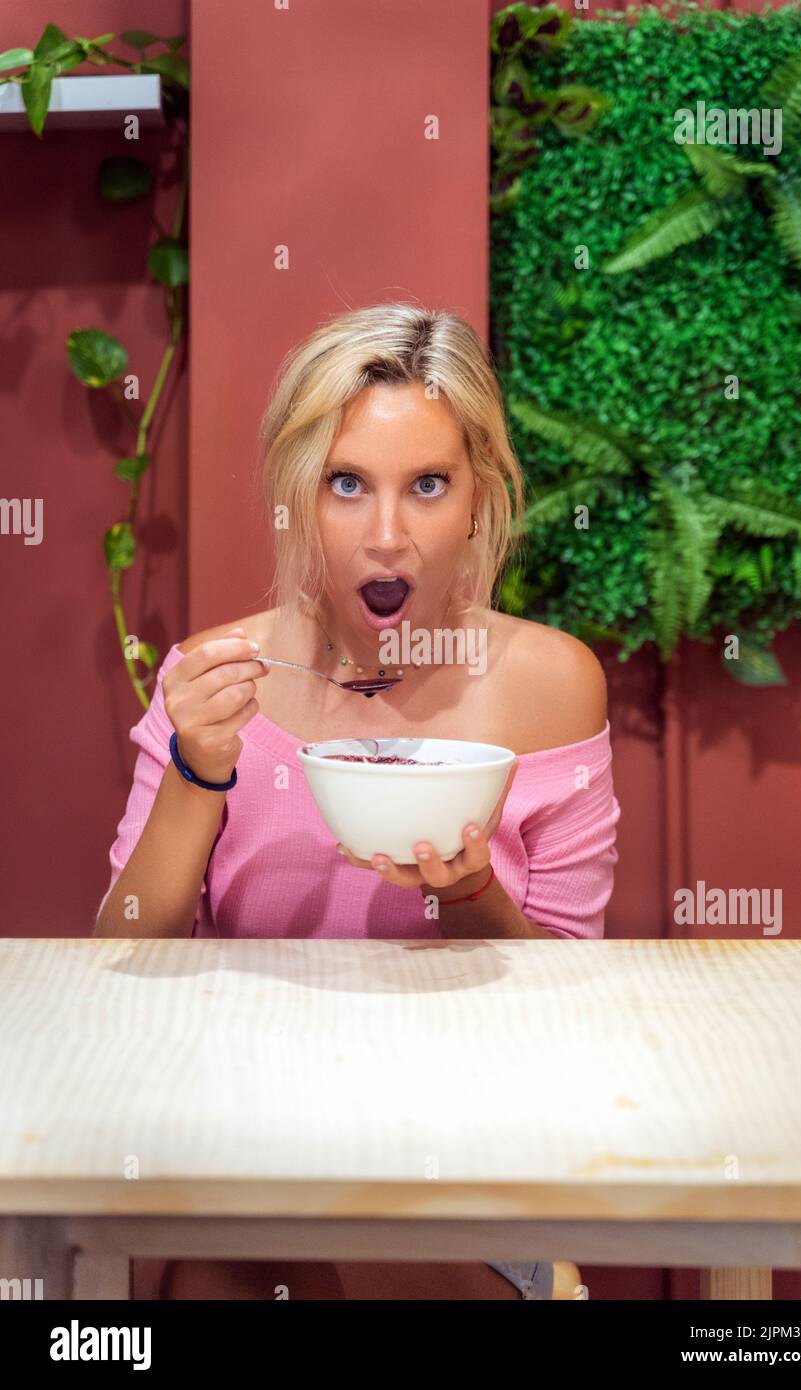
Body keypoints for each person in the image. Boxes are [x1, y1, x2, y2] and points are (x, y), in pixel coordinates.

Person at [96, 303, 620, 1300]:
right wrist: (195, 770)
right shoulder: (215, 681)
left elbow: (571, 1025)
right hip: (242, 1144)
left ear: (477, 499)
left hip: (465, 1166)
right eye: (346, 485)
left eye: (426, 485)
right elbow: (122, 947)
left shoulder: (551, 684)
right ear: (299, 497)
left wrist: (471, 897)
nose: (386, 537)